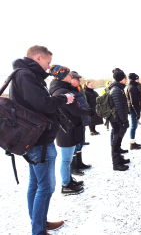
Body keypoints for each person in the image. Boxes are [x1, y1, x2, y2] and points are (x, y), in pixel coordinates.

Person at [9, 45, 73, 235]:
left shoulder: (25, 75)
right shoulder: (25, 76)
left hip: (35, 139)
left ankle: (40, 223)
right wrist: (64, 99)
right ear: (38, 57)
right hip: (39, 141)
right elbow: (44, 104)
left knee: (36, 185)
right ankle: (38, 230)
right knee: (46, 187)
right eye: (47, 62)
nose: (48, 67)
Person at [49, 65, 95, 195]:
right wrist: (90, 112)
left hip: (69, 128)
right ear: (63, 77)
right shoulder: (61, 92)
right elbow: (75, 110)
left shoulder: (61, 89)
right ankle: (65, 185)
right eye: (69, 75)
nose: (71, 76)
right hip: (66, 130)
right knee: (66, 160)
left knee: (68, 158)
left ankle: (69, 180)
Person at [69, 71, 92, 177]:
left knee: (80, 143)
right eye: (77, 79)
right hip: (75, 121)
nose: (79, 81)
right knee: (75, 144)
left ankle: (79, 163)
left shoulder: (77, 90)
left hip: (81, 120)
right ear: (71, 79)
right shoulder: (69, 90)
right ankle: (73, 167)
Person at [108, 68, 131, 171]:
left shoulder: (118, 88)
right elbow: (119, 108)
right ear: (121, 79)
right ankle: (116, 164)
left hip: (118, 120)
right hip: (117, 120)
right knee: (116, 142)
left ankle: (119, 160)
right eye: (124, 77)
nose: (126, 79)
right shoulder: (116, 90)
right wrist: (124, 121)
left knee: (118, 141)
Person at [126, 73, 141, 150]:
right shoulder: (132, 88)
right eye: (137, 79)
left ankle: (133, 142)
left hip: (132, 109)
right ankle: (132, 143)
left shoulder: (131, 86)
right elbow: (134, 102)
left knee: (134, 126)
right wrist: (137, 112)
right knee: (133, 126)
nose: (138, 80)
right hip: (133, 109)